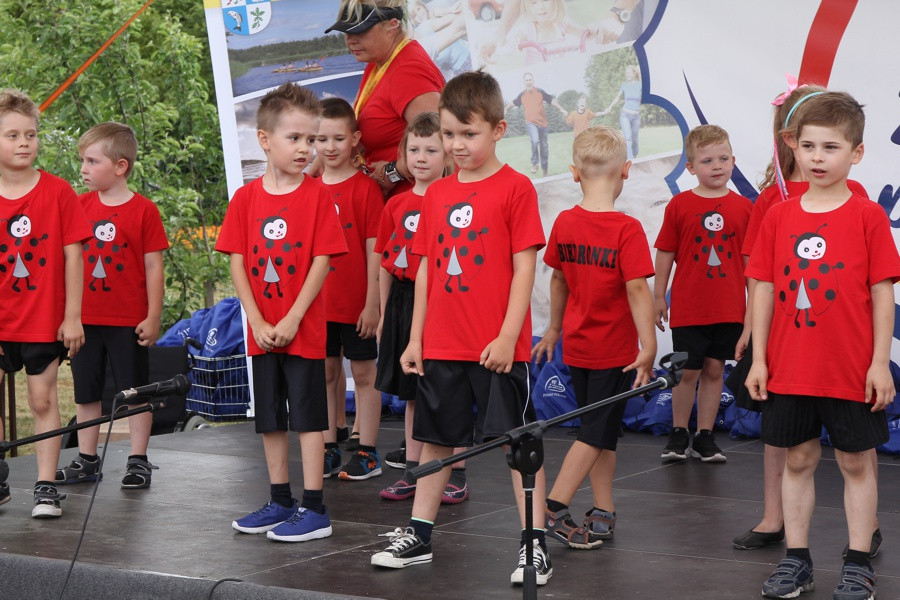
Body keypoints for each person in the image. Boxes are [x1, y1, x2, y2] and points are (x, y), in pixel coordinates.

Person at [369, 70, 552, 586]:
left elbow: (524, 268)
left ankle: (535, 546)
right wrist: (415, 337)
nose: (456, 145)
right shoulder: (438, 193)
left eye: (468, 134)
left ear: (498, 129)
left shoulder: (515, 188)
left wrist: (507, 335)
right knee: (434, 440)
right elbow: (426, 266)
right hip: (442, 343)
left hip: (495, 346)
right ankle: (420, 535)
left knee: (517, 445)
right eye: (449, 134)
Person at [745, 90, 900, 600]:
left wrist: (880, 363)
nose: (816, 157)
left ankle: (857, 563)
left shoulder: (867, 217)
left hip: (850, 370)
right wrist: (760, 358)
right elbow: (763, 290)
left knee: (856, 463)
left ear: (855, 153)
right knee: (797, 460)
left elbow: (882, 295)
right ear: (793, 147)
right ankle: (797, 560)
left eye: (830, 147)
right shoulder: (779, 217)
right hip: (790, 368)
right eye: (807, 146)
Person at [217, 83, 348, 543]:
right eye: (295, 139)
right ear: (264, 140)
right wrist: (255, 319)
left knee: (309, 415)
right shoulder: (246, 199)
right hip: (262, 330)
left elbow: (322, 259)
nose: (305, 149)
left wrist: (292, 318)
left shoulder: (316, 197)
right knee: (271, 415)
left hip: (303, 330)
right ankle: (280, 500)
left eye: (310, 140)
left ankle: (315, 508)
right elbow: (237, 260)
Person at [531, 126, 656, 550]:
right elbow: (639, 290)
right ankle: (551, 506)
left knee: (600, 431)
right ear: (626, 171)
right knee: (594, 433)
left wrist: (553, 328)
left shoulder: (565, 221)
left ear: (572, 173)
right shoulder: (627, 229)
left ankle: (604, 507)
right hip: (613, 353)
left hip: (581, 348)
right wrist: (650, 346)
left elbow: (558, 280)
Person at [54, 123, 169, 490]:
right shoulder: (78, 205)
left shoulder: (144, 210)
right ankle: (87, 460)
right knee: (86, 392)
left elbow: (153, 265)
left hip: (128, 321)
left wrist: (152, 316)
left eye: (92, 161)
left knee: (134, 391)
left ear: (120, 166)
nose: (83, 169)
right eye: (82, 161)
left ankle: (138, 460)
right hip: (84, 320)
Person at [0, 89, 92, 518]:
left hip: (43, 320)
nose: (23, 143)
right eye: (12, 135)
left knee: (42, 401)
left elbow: (76, 256)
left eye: (30, 134)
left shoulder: (58, 193)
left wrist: (72, 317)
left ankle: (45, 487)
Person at [375, 112, 469, 505]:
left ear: (446, 155)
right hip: (402, 301)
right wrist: (382, 315)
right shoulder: (396, 205)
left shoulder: (454, 199)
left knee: (448, 389)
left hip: (442, 302)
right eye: (414, 149)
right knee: (414, 393)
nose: (421, 156)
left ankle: (458, 472)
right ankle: (415, 471)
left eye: (431, 149)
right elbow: (383, 260)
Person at [653, 124, 751, 463]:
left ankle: (705, 436)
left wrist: (752, 310)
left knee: (713, 370)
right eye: (707, 160)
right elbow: (665, 251)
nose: (717, 166)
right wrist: (658, 296)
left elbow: (752, 263)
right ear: (691, 167)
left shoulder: (744, 208)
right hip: (690, 307)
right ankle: (679, 433)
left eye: (723, 158)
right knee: (687, 372)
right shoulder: (680, 205)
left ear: (733, 161)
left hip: (729, 308)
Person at [314, 97, 384, 481]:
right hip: (319, 305)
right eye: (321, 139)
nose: (329, 147)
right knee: (325, 372)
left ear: (354, 139)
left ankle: (368, 450)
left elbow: (375, 250)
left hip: (357, 303)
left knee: (364, 375)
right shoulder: (307, 191)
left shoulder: (366, 190)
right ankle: (327, 446)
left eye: (338, 138)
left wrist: (372, 303)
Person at [323, 0, 444, 197]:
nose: (350, 40)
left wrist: (393, 173)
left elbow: (440, 140)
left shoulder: (406, 70)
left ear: (392, 24)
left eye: (360, 31)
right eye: (346, 31)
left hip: (415, 204)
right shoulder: (380, 59)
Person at [506, 72, 567, 178]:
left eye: (530, 80)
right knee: (535, 140)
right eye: (526, 80)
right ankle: (534, 163)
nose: (528, 82)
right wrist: (506, 109)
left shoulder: (540, 92)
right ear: (524, 82)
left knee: (544, 147)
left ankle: (545, 169)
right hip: (531, 123)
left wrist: (561, 109)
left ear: (533, 81)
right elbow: (513, 103)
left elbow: (551, 100)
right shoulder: (522, 95)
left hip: (543, 124)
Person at [600, 65, 642, 160]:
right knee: (627, 138)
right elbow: (618, 97)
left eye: (629, 73)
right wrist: (610, 107)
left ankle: (635, 154)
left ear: (634, 74)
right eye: (626, 73)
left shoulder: (640, 85)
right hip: (625, 115)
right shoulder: (624, 84)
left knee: (634, 138)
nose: (627, 74)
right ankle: (630, 159)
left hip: (636, 116)